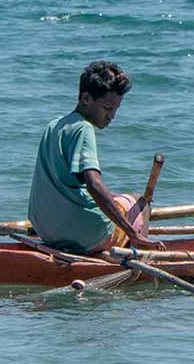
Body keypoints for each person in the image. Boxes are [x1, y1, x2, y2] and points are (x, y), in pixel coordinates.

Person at [28, 61, 164, 253]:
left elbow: (68, 183)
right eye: (107, 108)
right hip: (83, 235)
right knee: (139, 202)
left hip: (47, 231)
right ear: (86, 98)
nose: (112, 116)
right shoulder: (83, 128)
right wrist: (132, 233)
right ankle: (140, 251)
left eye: (115, 110)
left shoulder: (54, 125)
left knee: (116, 199)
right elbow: (93, 184)